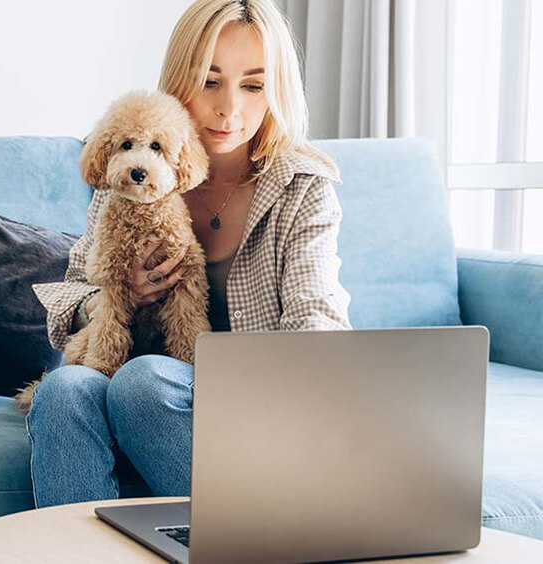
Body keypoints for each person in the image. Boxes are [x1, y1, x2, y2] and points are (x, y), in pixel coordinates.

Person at [26, 0, 354, 508]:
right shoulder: (128, 177)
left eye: (253, 85)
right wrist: (119, 296)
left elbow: (319, 320)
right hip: (130, 380)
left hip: (235, 403)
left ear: (276, 91)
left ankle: (257, 528)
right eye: (210, 80)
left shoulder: (301, 188)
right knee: (64, 390)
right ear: (180, 79)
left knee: (143, 382)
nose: (229, 109)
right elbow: (71, 293)